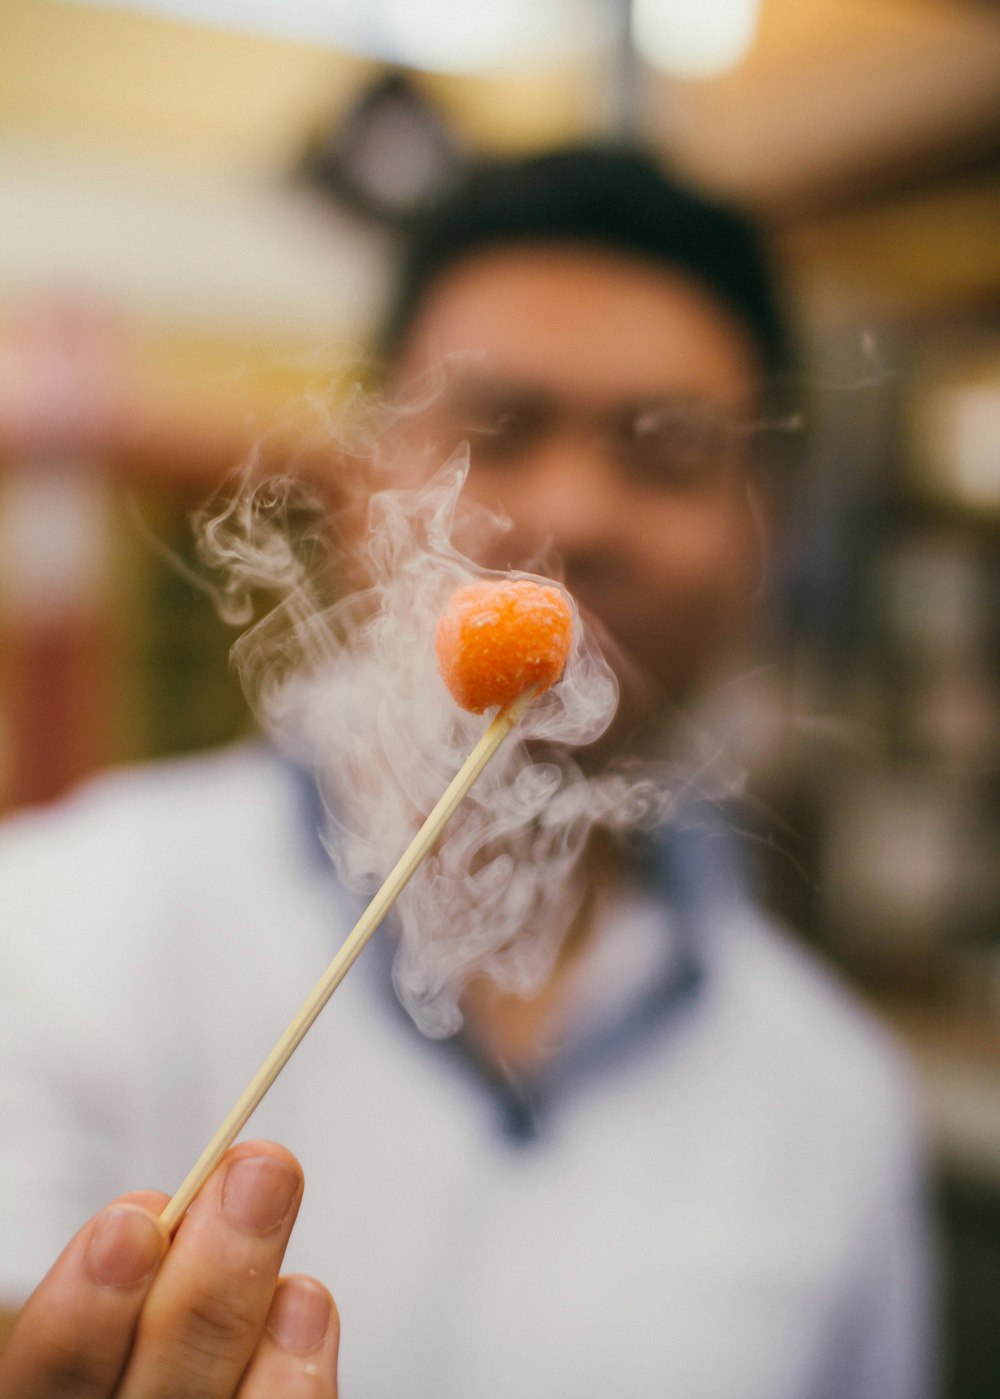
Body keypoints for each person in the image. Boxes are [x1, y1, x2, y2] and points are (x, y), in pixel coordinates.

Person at [0, 145, 933, 1398]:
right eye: (499, 430)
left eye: (663, 453)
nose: (576, 515)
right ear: (359, 482)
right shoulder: (49, 927)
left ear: (759, 536)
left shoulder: (840, 1101)